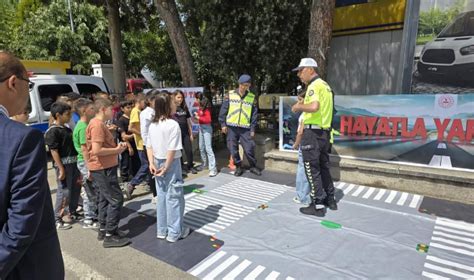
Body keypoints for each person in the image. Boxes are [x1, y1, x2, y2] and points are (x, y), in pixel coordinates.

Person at [0, 51, 64, 279]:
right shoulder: (21, 138)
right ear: (13, 83)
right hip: (21, 268)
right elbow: (22, 220)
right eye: (29, 86)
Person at [291, 58, 337, 217]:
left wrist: (298, 106)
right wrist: (305, 102)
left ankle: (317, 206)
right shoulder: (325, 86)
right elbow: (322, 108)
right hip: (324, 133)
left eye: (301, 70)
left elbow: (314, 107)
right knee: (324, 167)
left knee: (312, 170)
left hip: (312, 134)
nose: (299, 75)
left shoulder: (314, 85)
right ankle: (330, 199)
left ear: (310, 69)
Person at [146, 93, 190, 243]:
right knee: (174, 197)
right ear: (166, 106)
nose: (175, 104)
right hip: (170, 163)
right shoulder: (173, 125)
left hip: (157, 161)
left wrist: (151, 163)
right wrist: (166, 167)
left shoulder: (153, 124)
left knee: (162, 196)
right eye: (172, 102)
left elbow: (149, 145)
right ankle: (174, 232)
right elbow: (172, 149)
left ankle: (162, 230)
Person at [86, 98, 130, 248]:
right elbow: (97, 150)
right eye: (111, 110)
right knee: (116, 199)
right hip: (102, 167)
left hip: (103, 167)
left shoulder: (97, 124)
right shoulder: (97, 125)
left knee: (105, 199)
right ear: (103, 109)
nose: (113, 113)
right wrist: (117, 150)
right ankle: (110, 235)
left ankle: (104, 229)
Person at [45, 102, 81, 228]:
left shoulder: (66, 129)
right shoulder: (53, 131)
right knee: (64, 191)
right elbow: (54, 151)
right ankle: (57, 218)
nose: (69, 116)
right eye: (67, 114)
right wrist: (60, 168)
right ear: (58, 115)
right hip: (64, 165)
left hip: (73, 163)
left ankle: (72, 211)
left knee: (75, 189)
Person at [218, 74, 261, 176]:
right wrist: (223, 124)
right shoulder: (230, 95)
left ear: (249, 85)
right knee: (232, 148)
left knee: (249, 148)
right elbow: (223, 110)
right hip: (231, 127)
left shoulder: (252, 98)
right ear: (239, 84)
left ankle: (253, 166)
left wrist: (252, 129)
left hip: (245, 128)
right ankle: (238, 166)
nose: (243, 87)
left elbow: (254, 115)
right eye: (242, 85)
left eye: (246, 85)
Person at [73, 98, 100, 229]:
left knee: (90, 190)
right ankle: (90, 218)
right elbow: (84, 148)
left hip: (85, 161)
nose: (94, 111)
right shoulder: (83, 127)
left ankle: (92, 215)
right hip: (85, 162)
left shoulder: (82, 125)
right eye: (91, 108)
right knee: (90, 191)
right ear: (84, 110)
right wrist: (89, 167)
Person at [125, 93, 147, 199]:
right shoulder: (135, 111)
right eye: (144, 102)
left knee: (147, 165)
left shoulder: (139, 111)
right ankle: (132, 184)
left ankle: (147, 183)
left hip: (143, 142)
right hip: (141, 143)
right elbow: (131, 128)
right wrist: (142, 133)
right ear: (140, 101)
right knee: (146, 165)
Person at [292, 92, 310, 206]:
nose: (298, 103)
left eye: (300, 100)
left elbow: (300, 132)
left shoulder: (305, 115)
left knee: (302, 171)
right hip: (313, 144)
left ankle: (301, 196)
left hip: (304, 144)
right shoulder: (312, 113)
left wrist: (295, 144)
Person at [173, 90, 197, 174]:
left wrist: (191, 133)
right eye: (178, 97)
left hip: (185, 133)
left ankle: (190, 166)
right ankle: (181, 167)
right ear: (174, 97)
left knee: (189, 150)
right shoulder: (172, 108)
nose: (180, 99)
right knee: (179, 152)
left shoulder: (185, 107)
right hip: (176, 134)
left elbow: (188, 121)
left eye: (182, 97)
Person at [195, 92, 218, 177]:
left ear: (199, 99)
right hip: (201, 128)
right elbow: (202, 117)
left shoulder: (207, 108)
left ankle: (213, 169)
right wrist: (198, 116)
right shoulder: (200, 107)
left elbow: (208, 119)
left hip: (207, 128)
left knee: (208, 148)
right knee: (201, 147)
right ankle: (204, 165)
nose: (195, 100)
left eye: (196, 98)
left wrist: (199, 117)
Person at [116, 99, 140, 182]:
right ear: (122, 109)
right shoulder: (121, 120)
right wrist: (129, 146)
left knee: (136, 162)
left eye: (131, 107)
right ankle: (125, 179)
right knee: (126, 163)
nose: (130, 109)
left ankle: (136, 177)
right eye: (127, 107)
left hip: (136, 143)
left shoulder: (133, 117)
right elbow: (124, 136)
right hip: (127, 145)